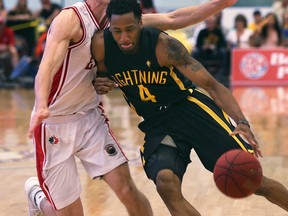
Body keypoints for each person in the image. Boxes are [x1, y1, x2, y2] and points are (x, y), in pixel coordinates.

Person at [25, 0, 240, 215]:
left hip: (90, 117)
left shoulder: (120, 20)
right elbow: (47, 64)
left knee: (129, 192)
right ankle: (37, 196)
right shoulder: (70, 19)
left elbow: (176, 19)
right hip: (54, 121)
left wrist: (222, 3)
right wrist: (41, 104)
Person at [91, 0, 288, 215]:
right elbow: (101, 74)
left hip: (189, 109)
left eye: (129, 30)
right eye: (117, 31)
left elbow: (211, 85)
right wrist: (100, 81)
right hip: (158, 123)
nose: (124, 38)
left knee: (252, 180)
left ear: (140, 23)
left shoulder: (164, 46)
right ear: (109, 26)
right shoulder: (101, 45)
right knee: (166, 184)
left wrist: (241, 121)